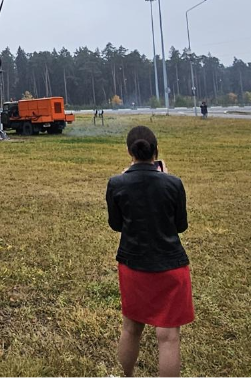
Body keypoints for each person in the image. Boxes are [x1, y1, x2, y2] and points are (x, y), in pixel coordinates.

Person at [105, 126, 193, 378]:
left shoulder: (116, 183)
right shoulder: (174, 183)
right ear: (156, 152)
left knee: (131, 328)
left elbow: (116, 225)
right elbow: (181, 226)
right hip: (171, 266)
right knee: (168, 337)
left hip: (133, 265)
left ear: (129, 152)